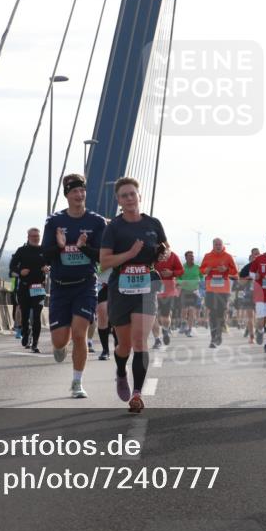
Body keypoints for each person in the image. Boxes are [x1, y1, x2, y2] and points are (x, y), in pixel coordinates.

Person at [100, 177, 169, 414]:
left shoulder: (153, 223)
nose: (129, 198)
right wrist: (130, 253)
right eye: (124, 195)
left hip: (146, 285)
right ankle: (121, 372)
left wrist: (163, 254)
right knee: (124, 345)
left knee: (140, 341)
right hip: (120, 286)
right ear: (119, 201)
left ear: (140, 196)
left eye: (133, 194)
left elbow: (165, 248)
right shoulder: (114, 227)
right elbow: (105, 261)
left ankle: (137, 394)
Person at [41, 174, 108, 398]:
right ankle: (59, 347)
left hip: (85, 286)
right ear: (67, 195)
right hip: (60, 287)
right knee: (60, 340)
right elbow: (44, 254)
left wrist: (83, 249)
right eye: (74, 192)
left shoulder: (97, 222)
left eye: (82, 191)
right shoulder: (54, 221)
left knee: (79, 334)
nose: (79, 195)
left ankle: (77, 382)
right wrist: (59, 247)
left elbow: (102, 256)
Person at [9, 228, 48, 352]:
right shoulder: (22, 251)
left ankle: (35, 344)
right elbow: (12, 267)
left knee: (36, 316)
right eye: (33, 236)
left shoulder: (44, 250)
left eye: (37, 236)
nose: (36, 238)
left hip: (39, 287)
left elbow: (52, 264)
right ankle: (26, 333)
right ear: (28, 237)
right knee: (25, 316)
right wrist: (20, 272)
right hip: (25, 287)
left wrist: (47, 268)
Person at [200, 238, 239, 348]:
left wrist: (226, 269)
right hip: (211, 289)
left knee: (221, 313)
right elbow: (201, 270)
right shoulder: (207, 256)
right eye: (216, 244)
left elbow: (235, 272)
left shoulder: (228, 256)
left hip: (223, 290)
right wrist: (206, 270)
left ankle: (219, 334)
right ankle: (213, 338)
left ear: (222, 245)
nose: (218, 246)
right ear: (213, 245)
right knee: (212, 313)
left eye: (219, 244)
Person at [153, 248, 184, 347]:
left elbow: (181, 271)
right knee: (153, 316)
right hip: (152, 289)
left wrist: (171, 273)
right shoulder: (151, 254)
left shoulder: (173, 256)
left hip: (168, 290)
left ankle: (165, 330)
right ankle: (157, 339)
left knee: (165, 317)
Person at [237, 249, 259, 343]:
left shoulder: (263, 266)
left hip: (261, 294)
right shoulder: (247, 267)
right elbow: (240, 281)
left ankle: (256, 329)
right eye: (255, 254)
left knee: (259, 317)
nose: (256, 256)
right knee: (250, 316)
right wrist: (248, 278)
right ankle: (252, 336)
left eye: (258, 254)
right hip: (249, 294)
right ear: (252, 256)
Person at [177, 251, 202, 337]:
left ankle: (189, 329)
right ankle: (183, 323)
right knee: (184, 309)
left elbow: (202, 277)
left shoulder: (197, 267)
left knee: (191, 310)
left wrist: (200, 282)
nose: (192, 258)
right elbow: (177, 278)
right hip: (184, 291)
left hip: (194, 291)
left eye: (193, 256)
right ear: (186, 258)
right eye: (190, 256)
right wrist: (182, 282)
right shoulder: (182, 267)